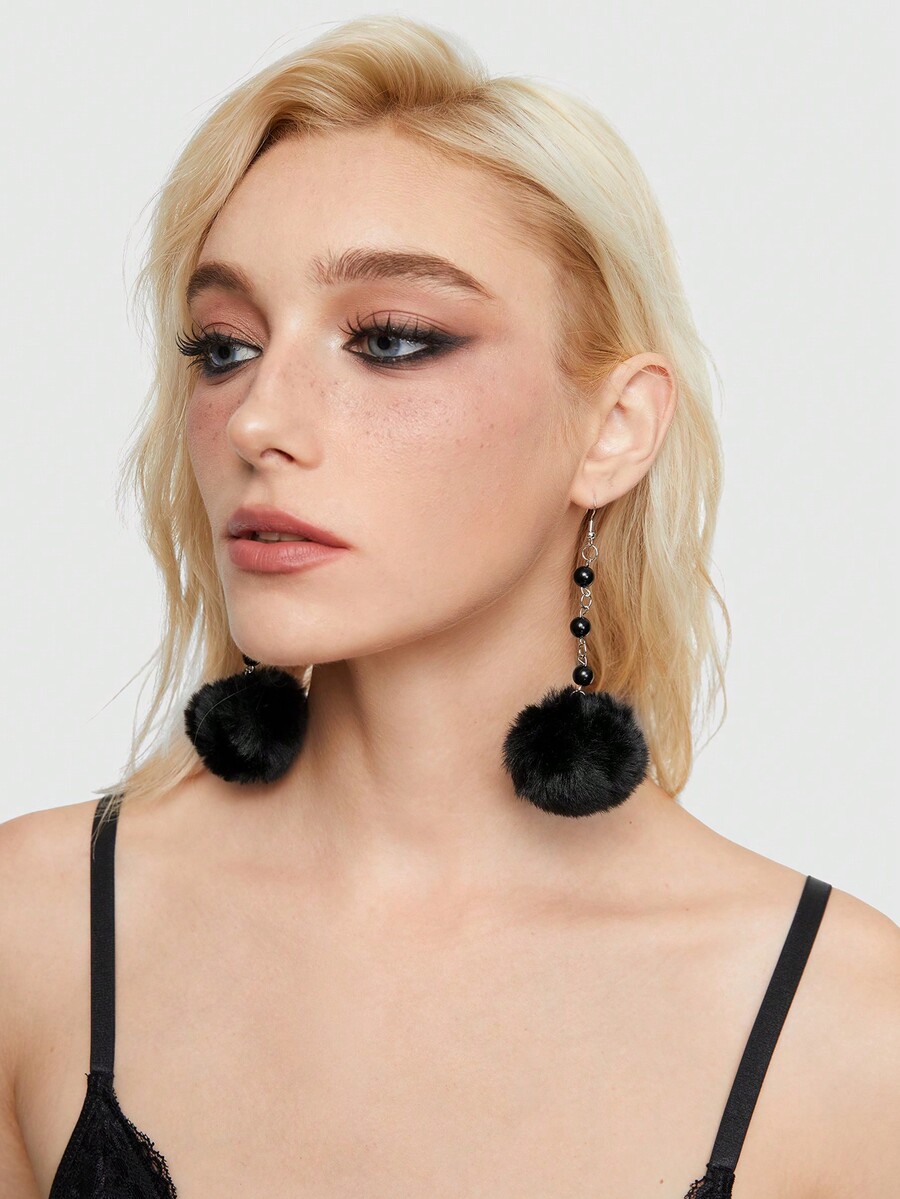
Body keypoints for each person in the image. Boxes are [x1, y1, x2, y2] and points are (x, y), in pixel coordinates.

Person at [1, 13, 897, 1198]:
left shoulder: (848, 1028)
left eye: (389, 339)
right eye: (224, 347)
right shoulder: (37, 928)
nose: (258, 420)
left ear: (613, 428)